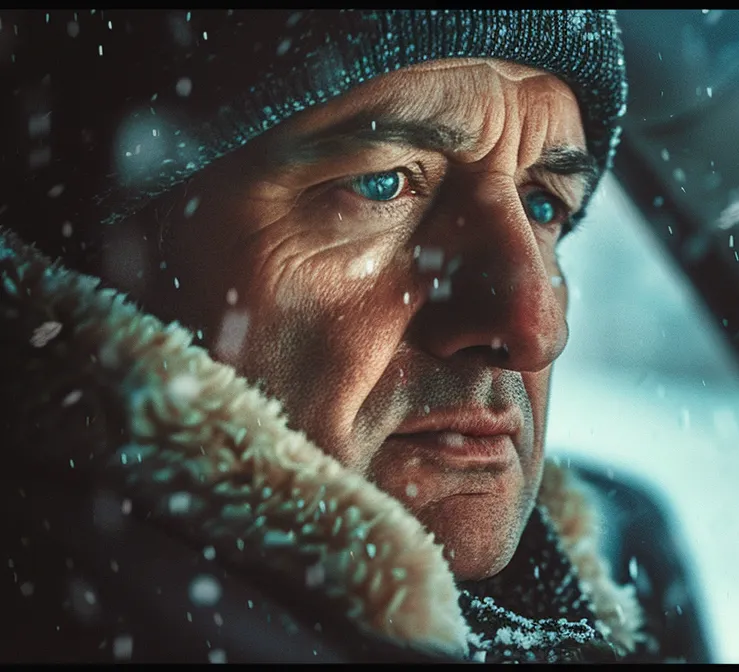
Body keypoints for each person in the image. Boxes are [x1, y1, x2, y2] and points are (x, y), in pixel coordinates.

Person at [0, 10, 650, 663]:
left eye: (544, 204)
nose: (535, 326)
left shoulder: (613, 562)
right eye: (381, 183)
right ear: (108, 255)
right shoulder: (83, 616)